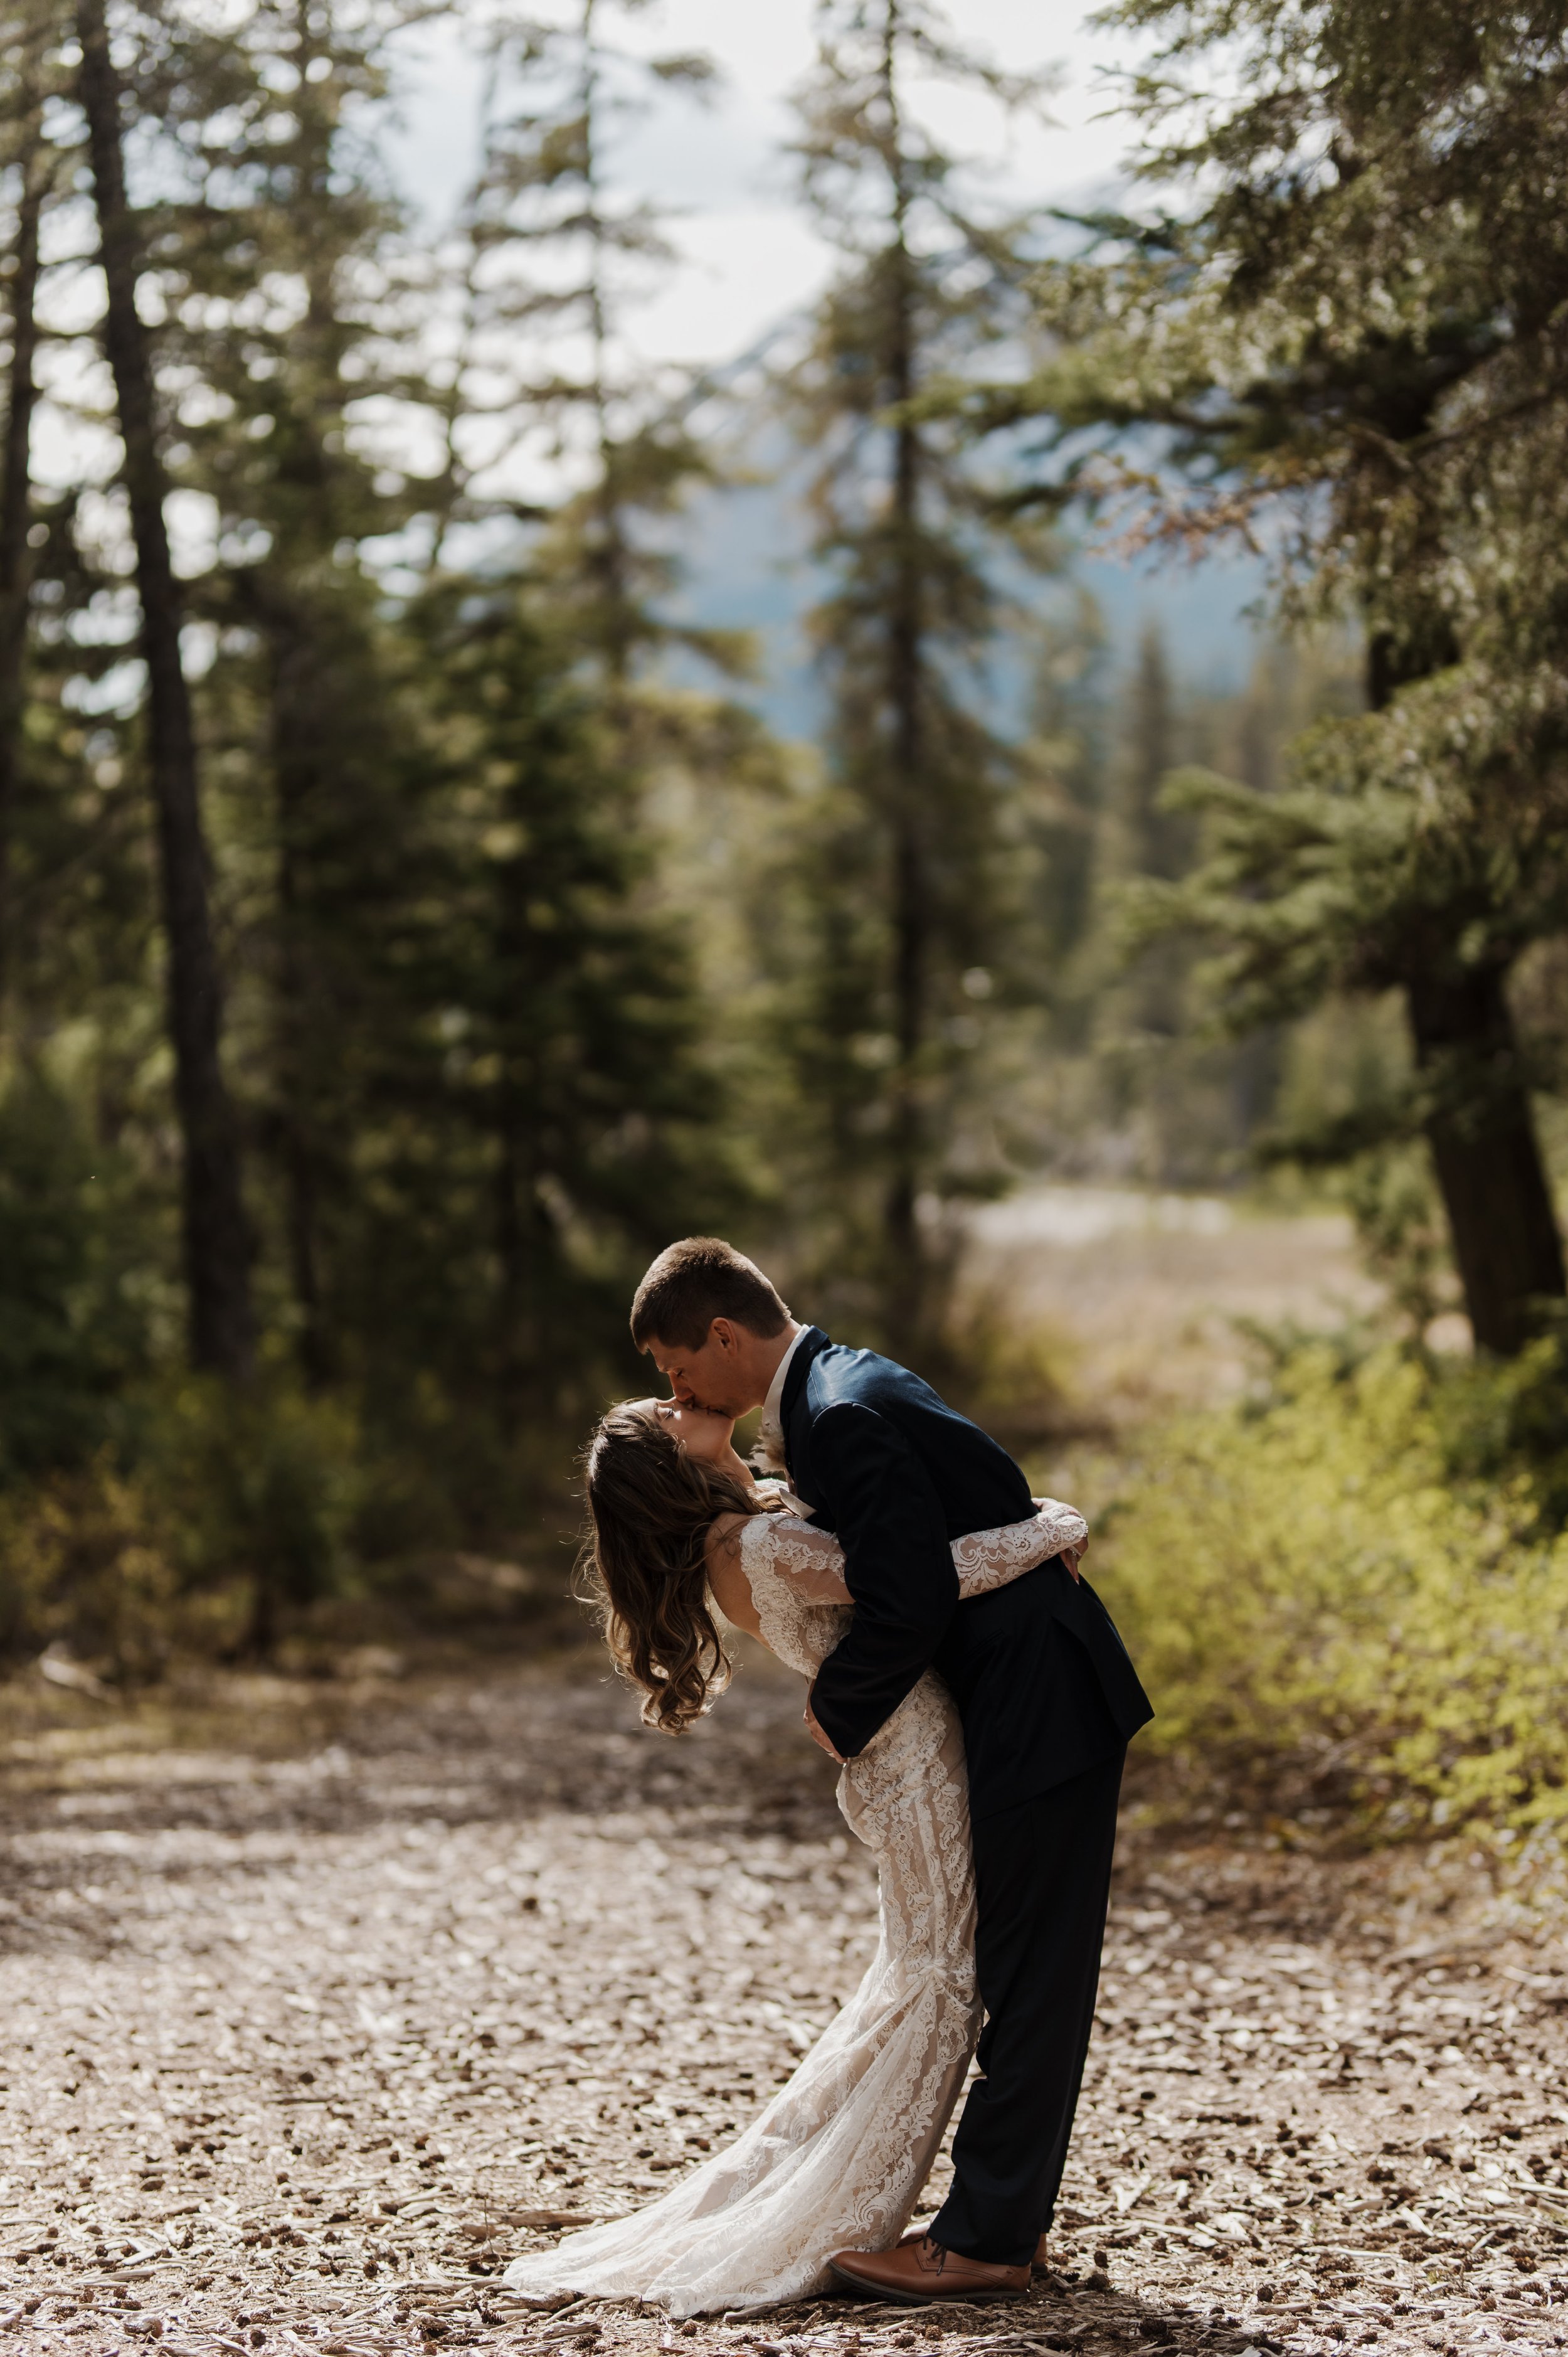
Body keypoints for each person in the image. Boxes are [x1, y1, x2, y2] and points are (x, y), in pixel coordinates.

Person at [627, 1239, 1152, 2302]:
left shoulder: (840, 1411)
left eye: (677, 1368)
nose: (671, 1390)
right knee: (1017, 1962)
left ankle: (991, 2236)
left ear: (725, 1335)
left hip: (1038, 1694)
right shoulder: (836, 1392)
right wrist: (1039, 1527)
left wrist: (839, 1706)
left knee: (1032, 1970)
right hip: (1017, 1688)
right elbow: (958, 1518)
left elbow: (906, 1585)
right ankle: (1004, 2219)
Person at [502, 1388, 1088, 2316]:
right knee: (943, 1972)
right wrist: (1051, 1526)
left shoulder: (750, 1523)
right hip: (916, 1757)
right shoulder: (757, 1547)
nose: (675, 1397)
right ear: (670, 1464)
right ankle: (919, 2219)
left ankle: (998, 2209)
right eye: (662, 1413)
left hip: (903, 1746)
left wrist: (755, 1473)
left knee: (927, 1968)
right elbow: (928, 1575)